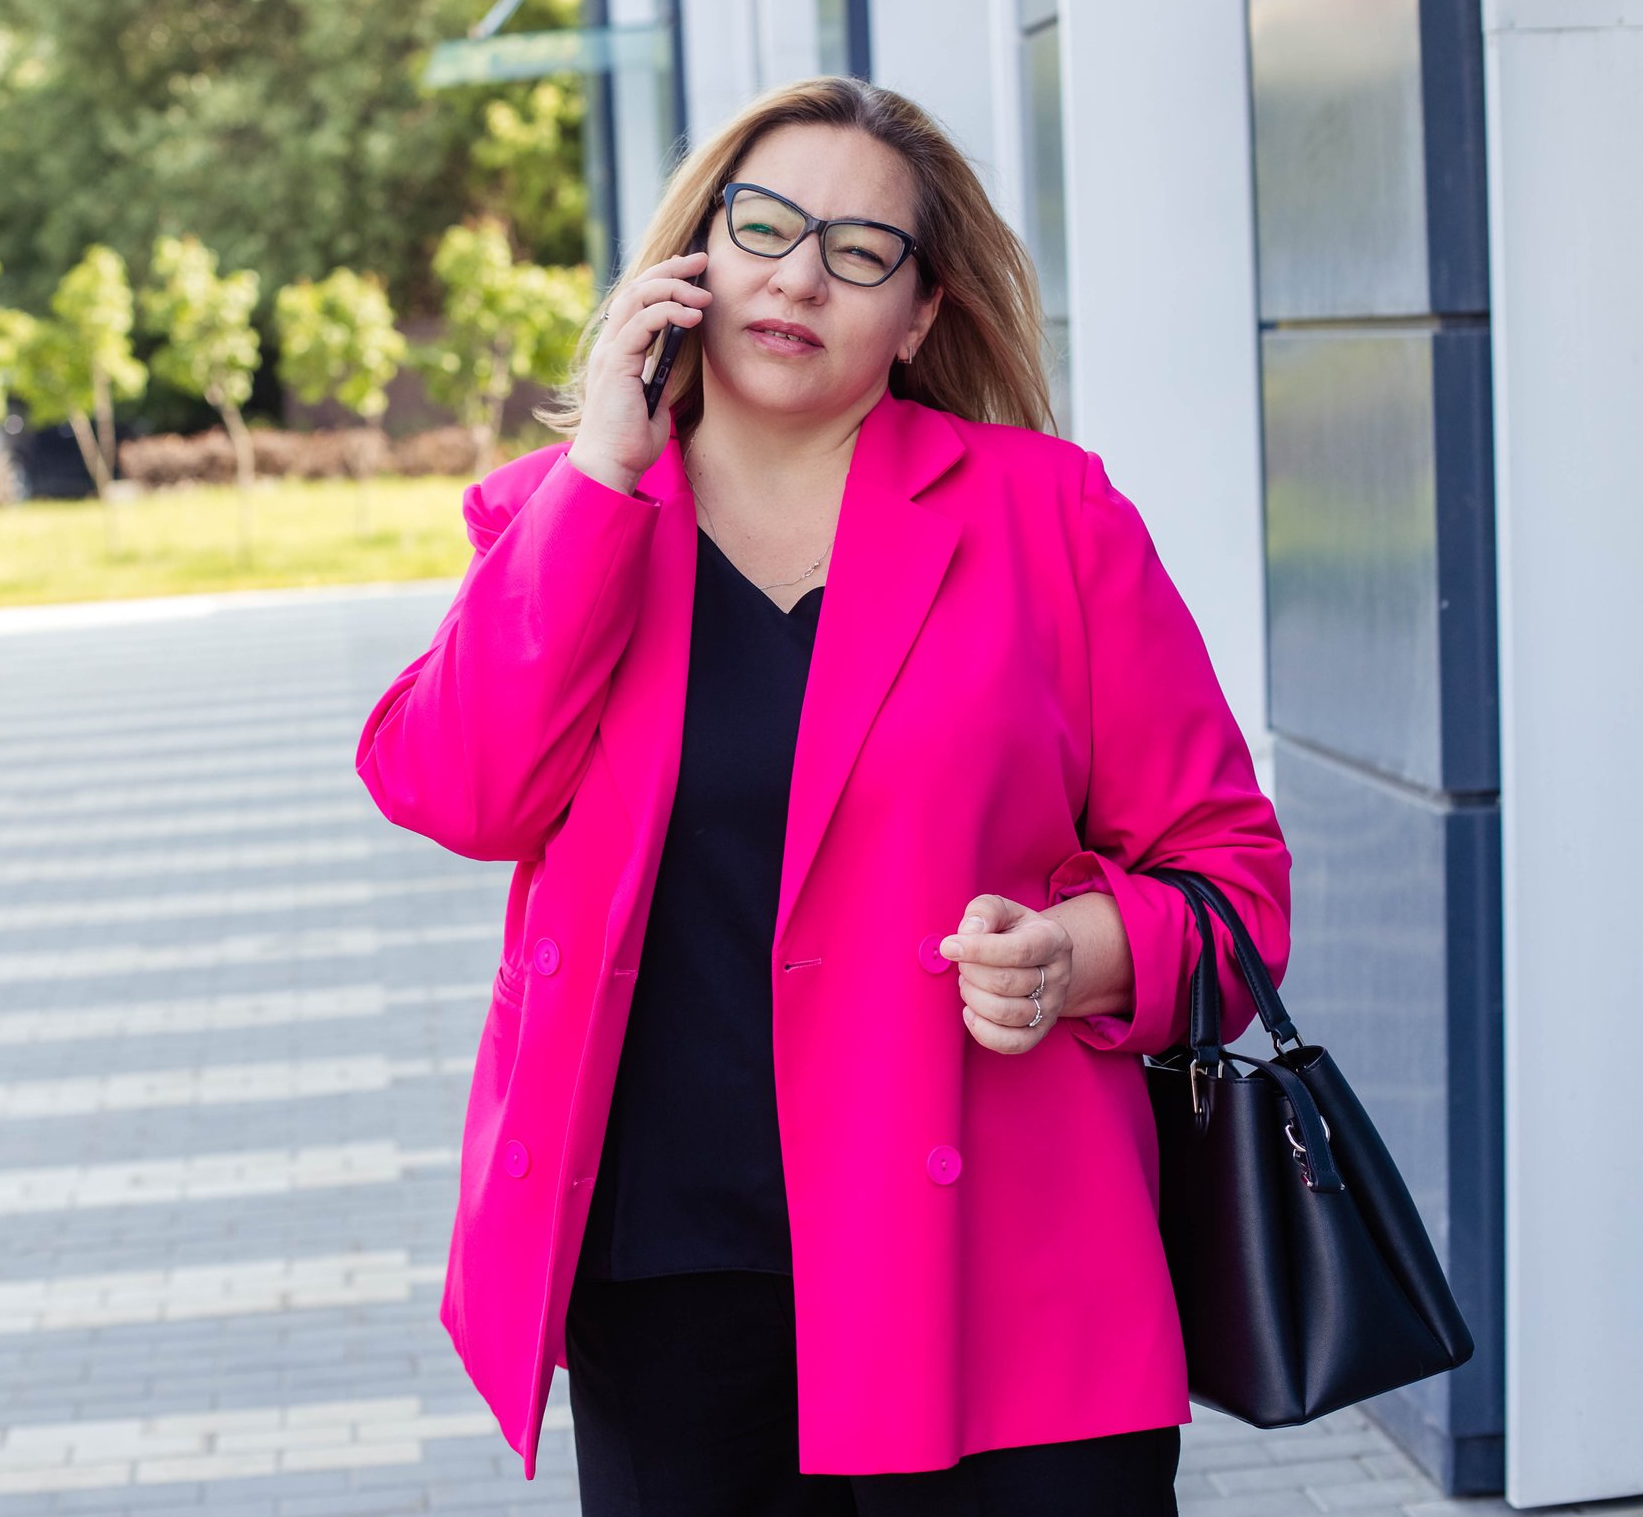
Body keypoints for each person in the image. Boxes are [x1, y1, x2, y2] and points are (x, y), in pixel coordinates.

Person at [353, 76, 1292, 1516]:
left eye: (860, 252)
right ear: (695, 253)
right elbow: (457, 790)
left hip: (1002, 1267)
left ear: (920, 314)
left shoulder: (1050, 519)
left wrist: (1079, 953)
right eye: (765, 225)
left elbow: (1231, 870)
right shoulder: (569, 514)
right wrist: (605, 469)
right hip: (670, 1274)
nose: (797, 275)